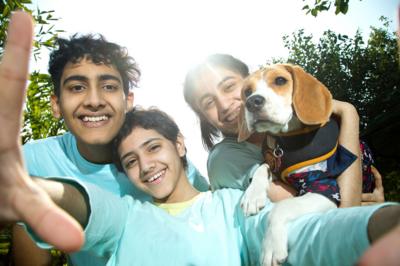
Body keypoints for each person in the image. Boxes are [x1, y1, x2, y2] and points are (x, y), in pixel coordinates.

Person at [15, 108, 400, 266]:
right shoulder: (127, 217)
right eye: (131, 161)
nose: (146, 165)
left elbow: (306, 236)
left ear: (179, 144)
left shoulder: (231, 205)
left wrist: (380, 225)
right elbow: (88, 209)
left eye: (154, 148)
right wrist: (30, 192)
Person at [9, 12, 209, 266]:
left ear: (128, 101)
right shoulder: (35, 160)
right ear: (56, 104)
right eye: (77, 87)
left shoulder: (164, 165)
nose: (94, 101)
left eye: (109, 86)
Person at [183, 53, 384, 207]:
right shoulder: (225, 159)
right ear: (204, 118)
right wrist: (348, 113)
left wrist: (348, 112)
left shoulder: (289, 128)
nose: (225, 105)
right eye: (209, 102)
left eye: (229, 87)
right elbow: (321, 203)